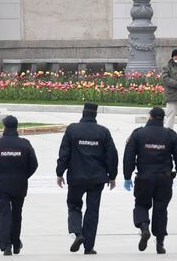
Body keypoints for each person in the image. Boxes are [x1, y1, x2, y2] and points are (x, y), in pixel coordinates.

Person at [56, 103, 118, 255]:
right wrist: (112, 176)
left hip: (76, 177)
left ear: (83, 113)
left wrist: (60, 172)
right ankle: (89, 247)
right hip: (97, 179)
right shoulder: (103, 132)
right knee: (92, 211)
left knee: (74, 205)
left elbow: (64, 153)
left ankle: (78, 234)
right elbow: (112, 156)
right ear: (95, 115)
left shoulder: (72, 129)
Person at [123, 107, 177, 254]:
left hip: (144, 177)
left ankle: (144, 227)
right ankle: (160, 243)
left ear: (150, 117)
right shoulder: (170, 135)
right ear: (163, 119)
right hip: (164, 178)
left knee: (141, 204)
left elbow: (129, 156)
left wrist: (127, 176)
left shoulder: (138, 134)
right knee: (160, 209)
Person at [0, 115, 38, 256]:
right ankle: (15, 242)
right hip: (19, 184)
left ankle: (6, 244)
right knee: (16, 214)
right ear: (16, 127)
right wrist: (23, 176)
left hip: (1, 184)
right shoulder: (25, 144)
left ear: (4, 127)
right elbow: (34, 164)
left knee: (4, 214)